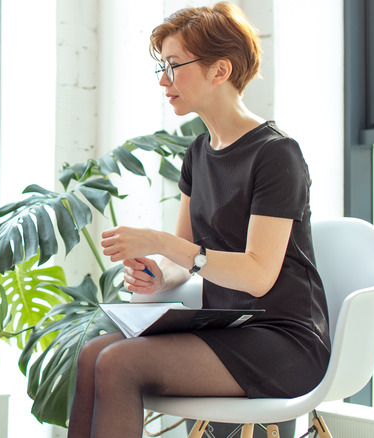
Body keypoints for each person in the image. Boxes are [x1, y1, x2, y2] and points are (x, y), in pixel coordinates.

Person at [67, 3, 331, 437]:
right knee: (92, 352)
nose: (163, 80)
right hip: (229, 328)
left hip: (285, 340)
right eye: (161, 67)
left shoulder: (276, 154)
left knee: (118, 361)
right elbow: (185, 258)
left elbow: (259, 275)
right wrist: (159, 274)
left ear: (219, 70)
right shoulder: (198, 153)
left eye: (173, 66)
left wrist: (162, 243)